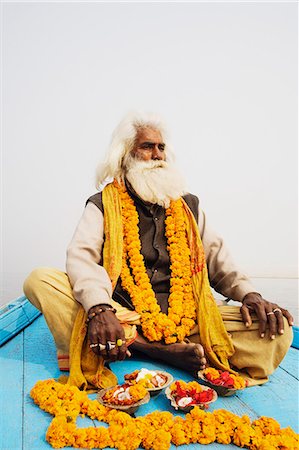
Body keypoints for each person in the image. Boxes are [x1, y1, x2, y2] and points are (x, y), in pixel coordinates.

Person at [23, 112, 293, 388]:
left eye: (161, 147)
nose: (157, 155)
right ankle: (154, 350)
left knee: (278, 331)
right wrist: (99, 308)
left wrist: (250, 294)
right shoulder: (103, 203)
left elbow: (218, 259)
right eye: (147, 147)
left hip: (188, 319)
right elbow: (82, 259)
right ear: (126, 154)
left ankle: (140, 347)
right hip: (123, 316)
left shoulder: (187, 206)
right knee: (40, 280)